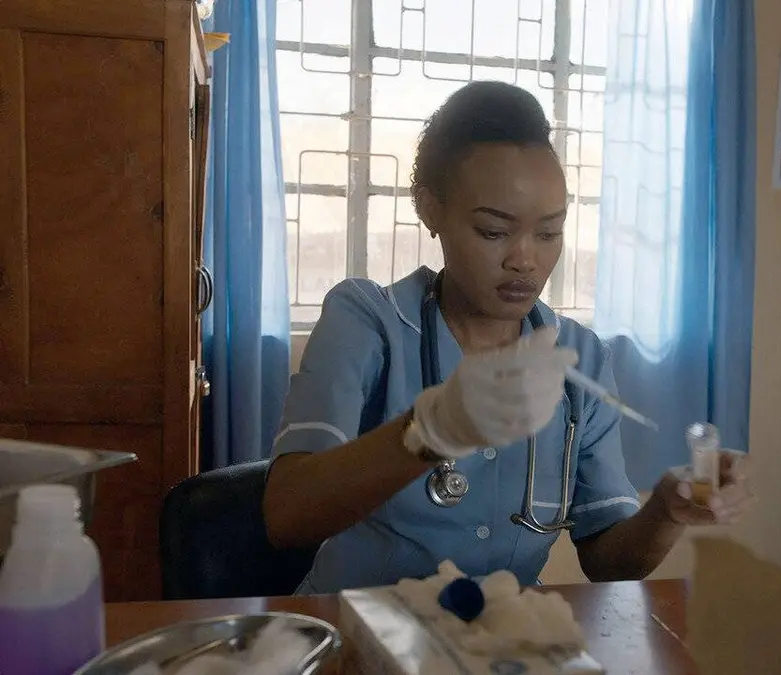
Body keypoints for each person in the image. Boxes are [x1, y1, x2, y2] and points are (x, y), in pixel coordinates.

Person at [263, 80, 753, 594]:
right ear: (430, 208)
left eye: (549, 233)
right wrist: (432, 429)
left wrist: (666, 512)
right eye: (494, 231)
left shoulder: (578, 359)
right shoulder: (369, 322)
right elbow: (286, 515)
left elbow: (608, 564)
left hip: (498, 633)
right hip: (355, 625)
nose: (525, 259)